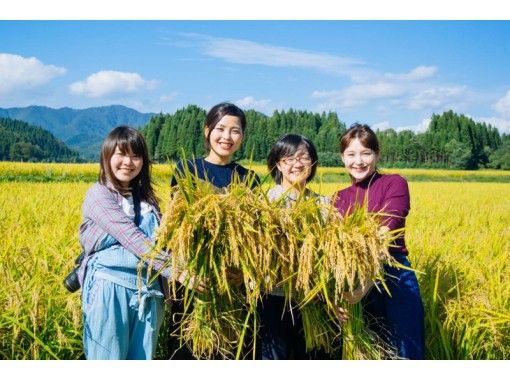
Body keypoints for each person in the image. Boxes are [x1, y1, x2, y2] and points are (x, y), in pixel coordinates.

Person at [168, 102, 260, 359]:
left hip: (231, 284)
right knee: (188, 351)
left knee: (229, 350)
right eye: (220, 128)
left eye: (235, 131)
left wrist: (243, 274)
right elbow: (176, 227)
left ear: (242, 136)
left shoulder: (249, 178)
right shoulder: (187, 170)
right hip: (193, 280)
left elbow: (255, 236)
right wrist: (185, 271)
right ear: (207, 130)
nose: (227, 137)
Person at [79, 126, 172, 360]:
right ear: (107, 156)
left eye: (136, 156)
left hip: (150, 294)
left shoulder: (148, 201)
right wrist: (178, 271)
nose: (128, 162)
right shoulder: (99, 194)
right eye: (121, 154)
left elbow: (164, 244)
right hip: (110, 288)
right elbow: (131, 236)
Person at [334, 123, 425, 359]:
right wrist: (335, 294)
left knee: (405, 350)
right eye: (351, 154)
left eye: (366, 153)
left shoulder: (394, 183)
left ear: (377, 154)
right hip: (352, 278)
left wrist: (366, 280)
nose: (359, 161)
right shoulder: (338, 199)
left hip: (393, 274)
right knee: (369, 348)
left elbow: (389, 225)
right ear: (342, 158)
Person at [260, 134, 344, 360]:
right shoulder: (264, 201)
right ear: (278, 163)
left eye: (304, 158)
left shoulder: (324, 205)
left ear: (313, 163)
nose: (297, 164)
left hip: (314, 299)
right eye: (288, 158)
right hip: (273, 296)